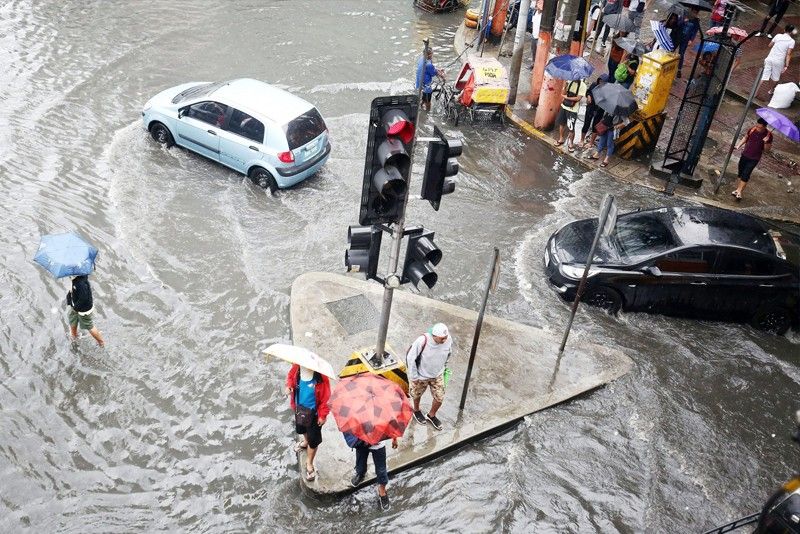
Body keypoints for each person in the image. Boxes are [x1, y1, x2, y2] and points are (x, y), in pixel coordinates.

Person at [285, 363, 331, 481]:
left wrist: (322, 415)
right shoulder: (296, 369)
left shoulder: (321, 377)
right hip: (299, 409)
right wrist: (289, 386)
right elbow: (290, 377)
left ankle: (309, 463)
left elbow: (326, 399)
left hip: (314, 415)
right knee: (301, 430)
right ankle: (305, 441)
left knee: (313, 441)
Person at [406, 323, 453, 431]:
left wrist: (444, 366)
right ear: (434, 336)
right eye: (441, 338)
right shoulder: (422, 341)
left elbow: (449, 353)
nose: (444, 341)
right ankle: (416, 410)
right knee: (416, 394)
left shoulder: (448, 339)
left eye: (445, 338)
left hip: (437, 374)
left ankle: (431, 415)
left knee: (439, 398)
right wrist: (414, 376)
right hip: (421, 375)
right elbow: (410, 358)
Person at [350, 437, 399, 510]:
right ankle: (361, 474)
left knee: (381, 471)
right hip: (361, 442)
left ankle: (382, 491)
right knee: (360, 465)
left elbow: (392, 426)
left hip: (378, 444)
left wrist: (394, 439)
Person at [732, 117, 773, 200]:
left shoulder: (769, 136)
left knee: (746, 173)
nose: (758, 128)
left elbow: (767, 150)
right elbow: (746, 137)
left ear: (765, 127)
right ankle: (737, 189)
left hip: (755, 158)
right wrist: (738, 145)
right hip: (745, 154)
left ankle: (739, 191)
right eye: (757, 126)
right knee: (741, 172)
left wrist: (766, 142)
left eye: (760, 127)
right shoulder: (752, 129)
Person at [757, 25, 796, 97]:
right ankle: (771, 90)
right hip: (779, 61)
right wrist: (786, 66)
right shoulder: (792, 41)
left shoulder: (778, 36)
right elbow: (788, 54)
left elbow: (770, 45)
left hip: (770, 58)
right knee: (776, 78)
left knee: (764, 76)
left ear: (784, 29)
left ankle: (755, 92)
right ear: (791, 32)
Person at [67, 275, 104, 347]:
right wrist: (69, 298)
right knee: (72, 318)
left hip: (83, 308)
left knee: (89, 325)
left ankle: (101, 342)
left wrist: (75, 308)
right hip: (75, 305)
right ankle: (74, 335)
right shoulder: (75, 279)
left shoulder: (81, 283)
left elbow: (83, 298)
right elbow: (72, 290)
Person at [555, 78, 588, 151]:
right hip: (564, 107)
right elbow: (563, 93)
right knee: (561, 124)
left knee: (571, 128)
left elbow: (578, 98)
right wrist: (565, 85)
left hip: (573, 110)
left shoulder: (582, 85)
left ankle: (571, 143)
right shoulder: (570, 82)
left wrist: (566, 97)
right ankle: (561, 139)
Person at [579, 74, 609, 148]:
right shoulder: (594, 84)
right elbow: (588, 92)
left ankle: (591, 143)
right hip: (590, 108)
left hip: (599, 110)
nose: (600, 82)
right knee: (586, 124)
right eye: (600, 80)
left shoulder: (607, 90)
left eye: (602, 81)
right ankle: (582, 140)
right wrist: (589, 96)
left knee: (595, 127)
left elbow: (607, 101)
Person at [677, 8, 701, 78]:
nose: (694, 14)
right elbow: (678, 24)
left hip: (686, 39)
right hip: (678, 36)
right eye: (694, 12)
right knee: (672, 49)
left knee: (681, 53)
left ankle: (679, 69)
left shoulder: (696, 21)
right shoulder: (683, 16)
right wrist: (684, 21)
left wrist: (691, 39)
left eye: (696, 13)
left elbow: (695, 31)